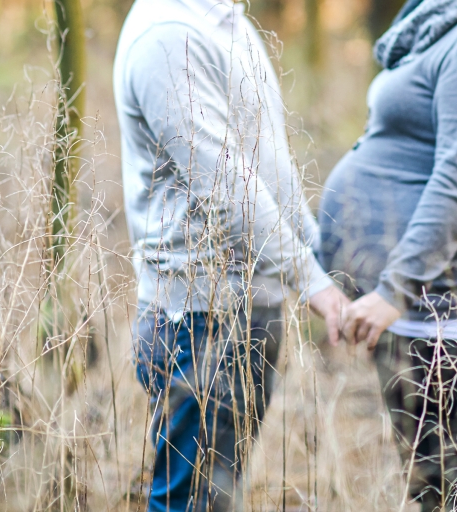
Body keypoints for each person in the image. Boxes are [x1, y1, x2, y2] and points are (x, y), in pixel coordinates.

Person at [113, 1, 349, 511]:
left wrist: (320, 258)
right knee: (193, 503)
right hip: (198, 318)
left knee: (217, 498)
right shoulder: (168, 35)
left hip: (246, 308)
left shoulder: (226, 21)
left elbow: (267, 163)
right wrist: (309, 278)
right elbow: (223, 182)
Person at [319, 0, 457, 510]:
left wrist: (394, 291)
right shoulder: (448, 23)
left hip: (452, 309)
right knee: (432, 490)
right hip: (421, 307)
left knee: (450, 493)